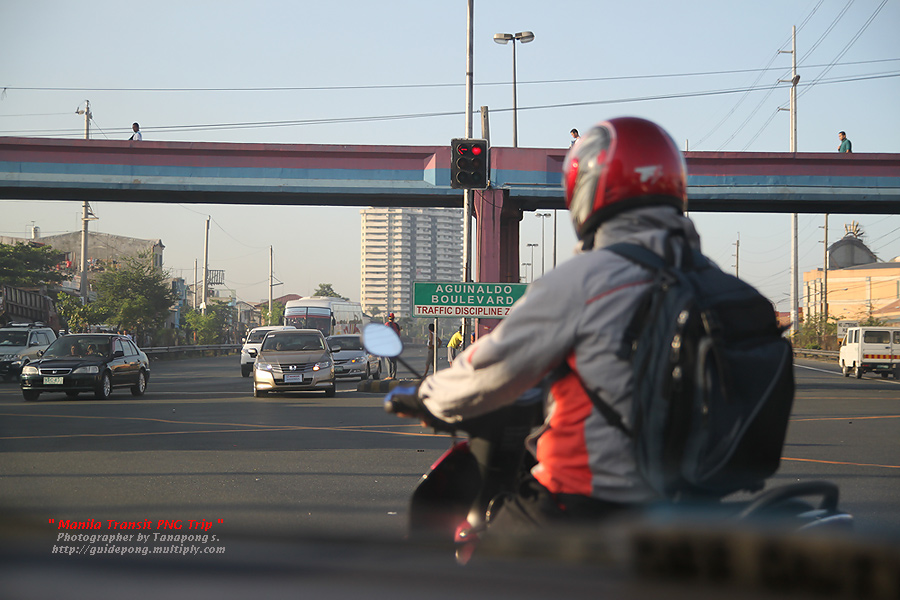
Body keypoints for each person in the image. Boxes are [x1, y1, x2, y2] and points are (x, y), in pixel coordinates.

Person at [391, 116, 701, 533]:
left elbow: (489, 370)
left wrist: (427, 395)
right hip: (696, 511)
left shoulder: (585, 280)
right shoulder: (718, 287)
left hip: (586, 505)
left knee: (478, 570)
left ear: (587, 191)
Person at [385, 313, 401, 378]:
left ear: (388, 318)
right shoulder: (396, 326)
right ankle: (394, 376)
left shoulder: (386, 325)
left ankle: (389, 375)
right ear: (394, 318)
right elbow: (399, 335)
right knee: (394, 362)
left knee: (388, 361)